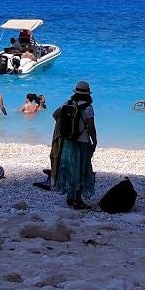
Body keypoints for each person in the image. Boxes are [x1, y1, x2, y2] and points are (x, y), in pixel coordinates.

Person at [51, 81, 98, 209]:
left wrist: (65, 127)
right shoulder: (88, 108)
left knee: (70, 168)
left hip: (68, 141)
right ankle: (78, 200)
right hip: (82, 142)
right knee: (82, 169)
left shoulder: (68, 103)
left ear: (75, 92)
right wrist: (94, 141)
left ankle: (70, 197)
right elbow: (91, 127)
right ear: (88, 94)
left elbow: (55, 115)